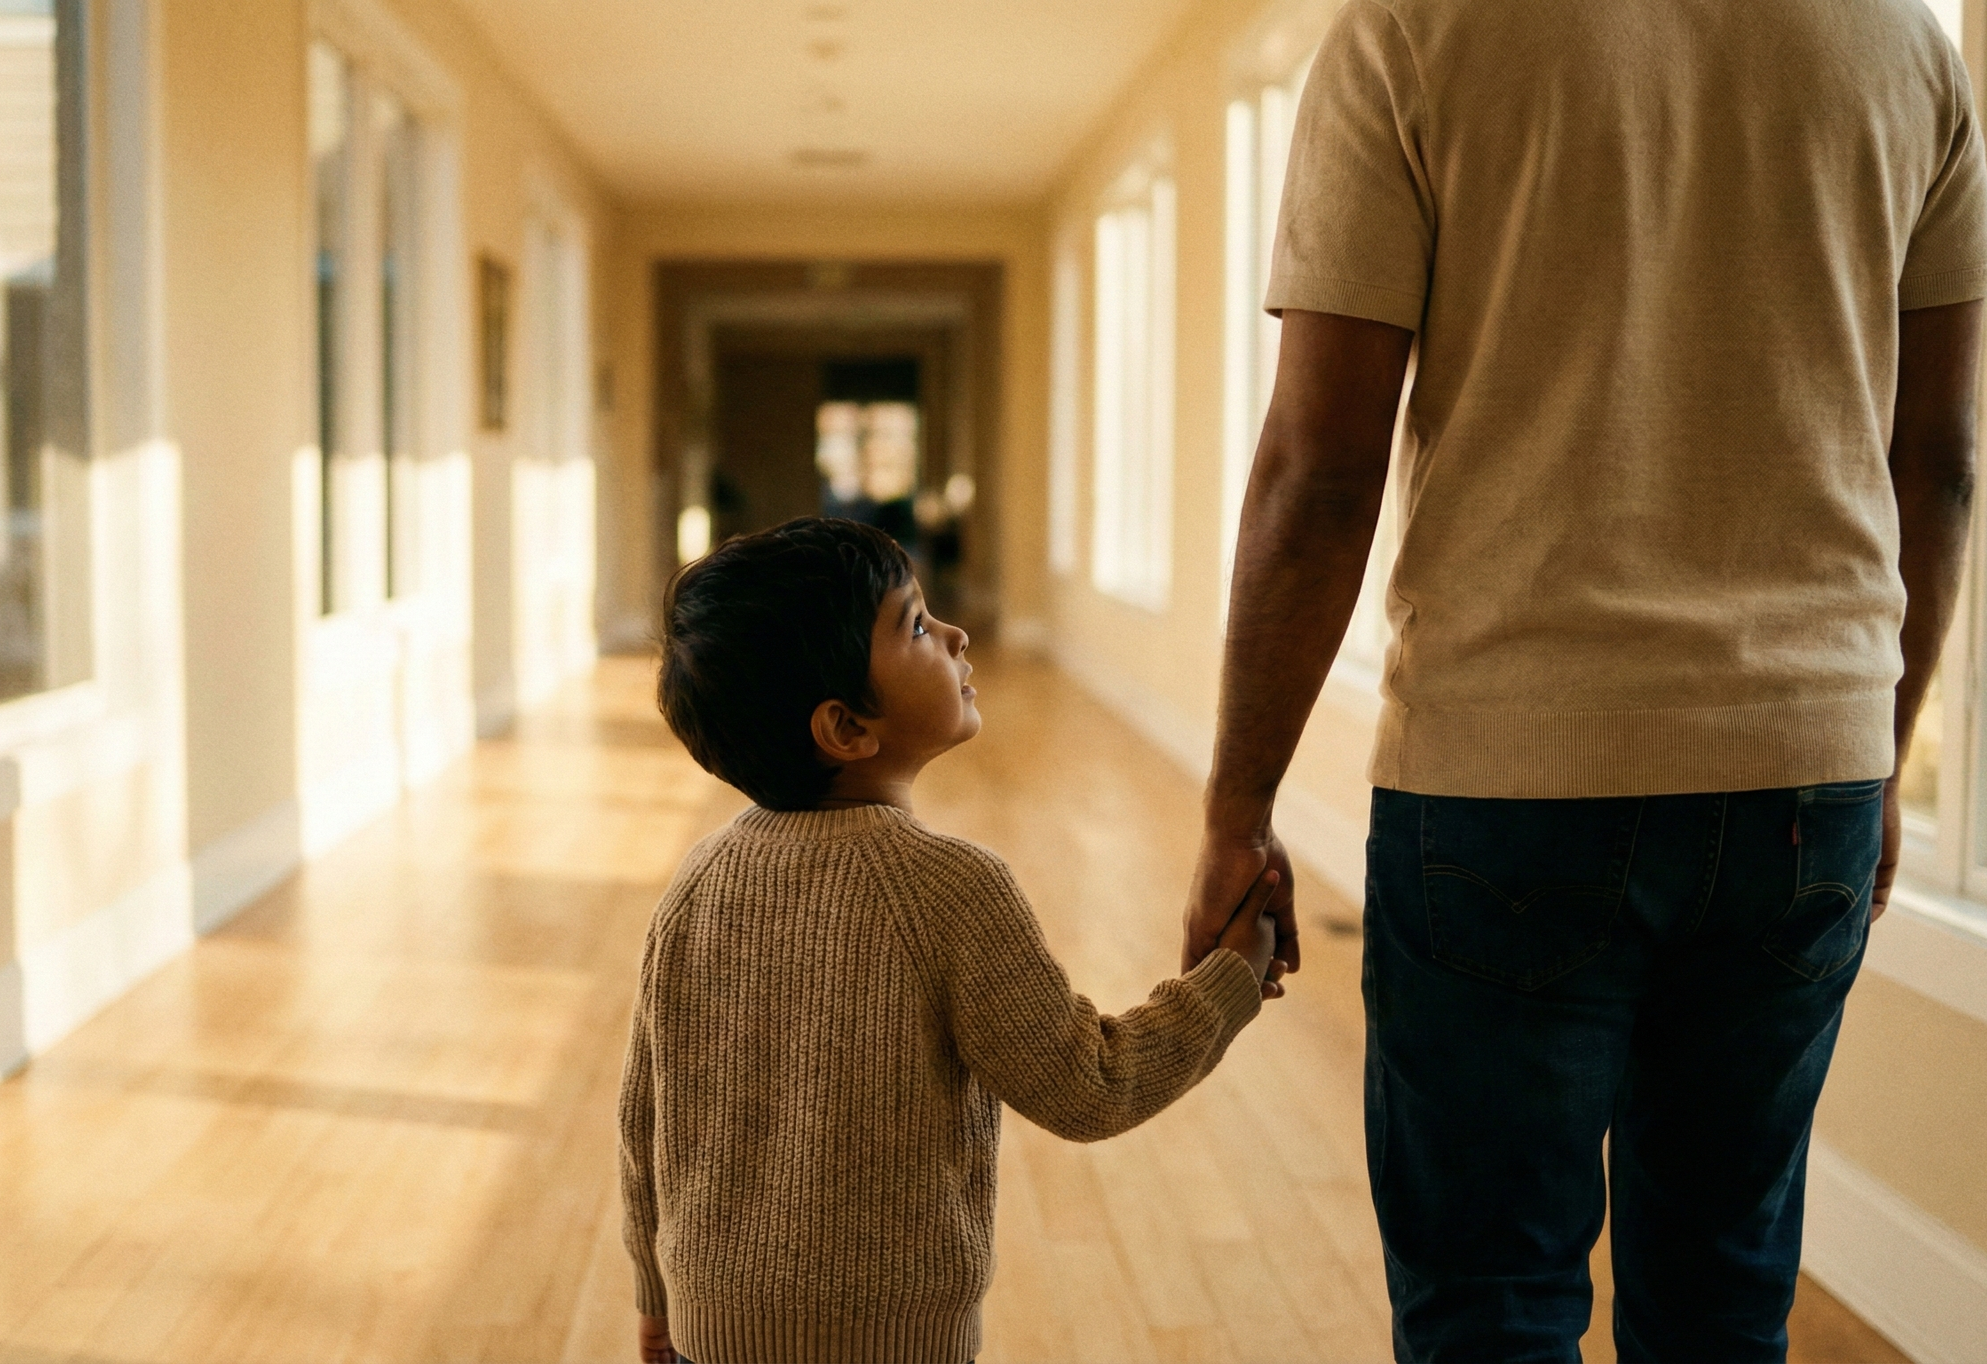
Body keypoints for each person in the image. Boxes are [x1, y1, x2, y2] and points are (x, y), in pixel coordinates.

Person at [1180, 0, 1987, 1359]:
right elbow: (1945, 453)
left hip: (1502, 775)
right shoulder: (1903, 46)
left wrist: (1234, 810)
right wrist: (1881, 736)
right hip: (1803, 776)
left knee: (1489, 1304)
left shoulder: (1407, 29)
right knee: (1723, 1298)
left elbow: (1316, 472)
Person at [623, 517, 1280, 1364]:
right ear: (847, 729)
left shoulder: (694, 883)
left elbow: (643, 1118)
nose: (958, 634)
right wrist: (1228, 980)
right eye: (918, 627)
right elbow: (1089, 1087)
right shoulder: (951, 889)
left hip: (708, 1337)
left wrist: (654, 1294)